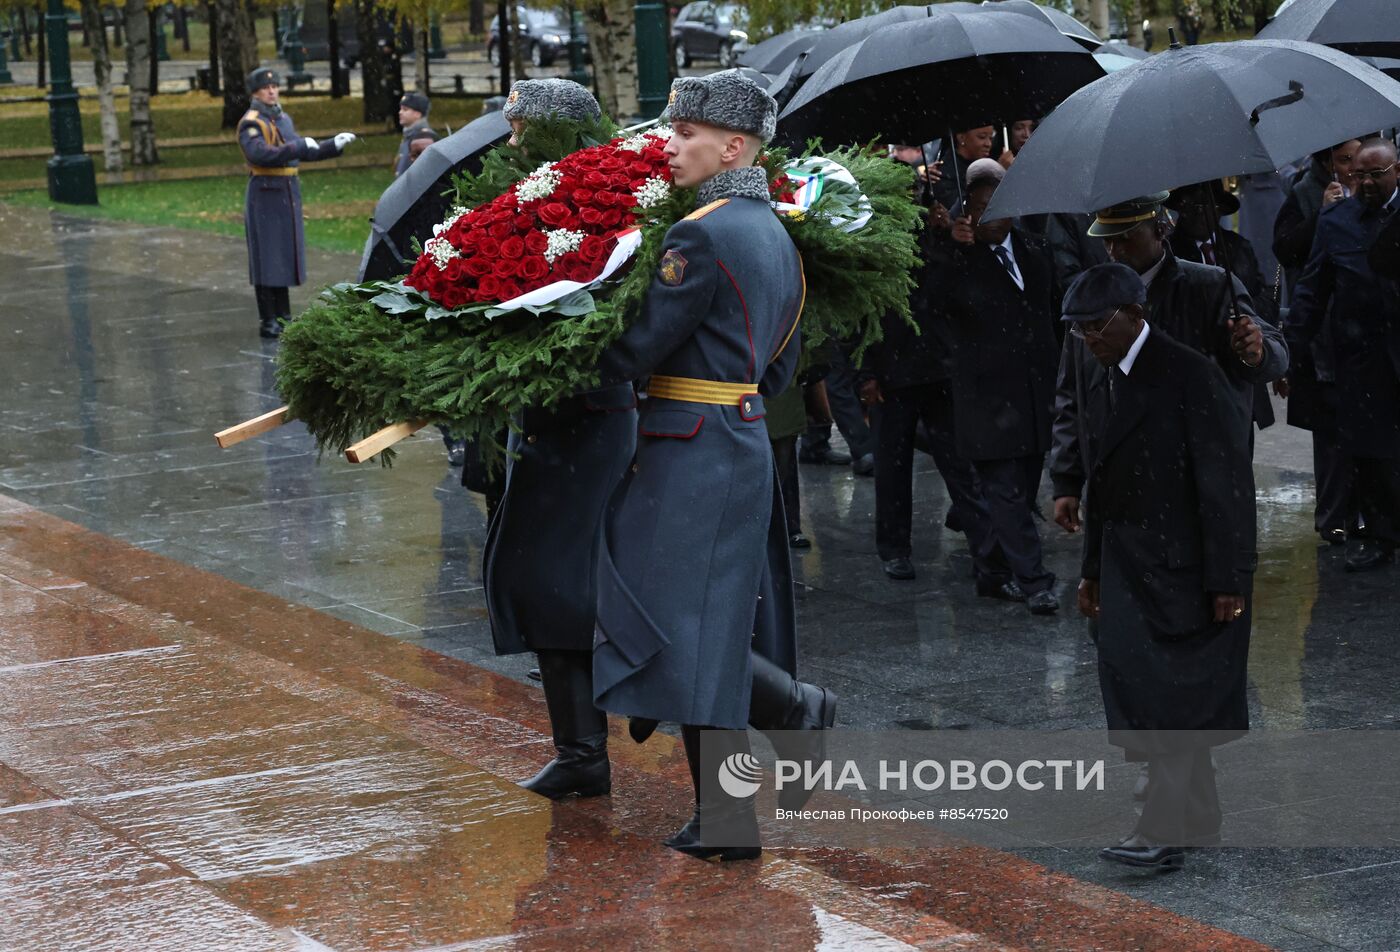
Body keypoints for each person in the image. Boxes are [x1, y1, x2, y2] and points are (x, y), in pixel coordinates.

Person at [589, 71, 836, 860]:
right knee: (706, 628)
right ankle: (732, 811)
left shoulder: (702, 232)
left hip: (687, 449)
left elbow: (638, 348)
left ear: (735, 146)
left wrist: (564, 336)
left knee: (683, 631)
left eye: (687, 133)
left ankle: (793, 714)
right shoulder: (779, 238)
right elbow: (782, 364)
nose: (672, 145)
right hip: (739, 437)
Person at [1064, 263, 1254, 872]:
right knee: (1146, 692)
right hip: (1126, 565)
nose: (1090, 339)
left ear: (1133, 315)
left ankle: (1161, 828)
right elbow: (1102, 480)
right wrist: (1092, 569)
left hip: (1184, 566)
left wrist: (1227, 580)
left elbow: (1226, 485)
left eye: (1097, 326)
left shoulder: (1190, 373)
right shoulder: (1101, 375)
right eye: (1079, 330)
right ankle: (1197, 816)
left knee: (1174, 699)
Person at [479, 79, 638, 801]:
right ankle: (581, 752)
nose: (511, 144)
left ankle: (778, 702)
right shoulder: (527, 202)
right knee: (543, 581)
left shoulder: (606, 203)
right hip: (543, 418)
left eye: (522, 130)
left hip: (591, 420)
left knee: (580, 583)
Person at [1049, 193, 1287, 536]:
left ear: (1162, 229)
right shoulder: (1091, 295)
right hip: (1119, 483)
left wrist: (1257, 353)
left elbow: (1272, 355)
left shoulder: (1211, 288)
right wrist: (1066, 479)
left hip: (1199, 481)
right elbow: (1072, 393)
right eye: (1108, 240)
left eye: (1126, 238)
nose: (1115, 251)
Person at [862, 149, 996, 587]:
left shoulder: (936, 232)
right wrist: (863, 374)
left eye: (913, 190)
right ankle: (894, 548)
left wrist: (950, 240)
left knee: (959, 464)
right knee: (892, 465)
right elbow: (858, 315)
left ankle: (988, 553)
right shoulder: (872, 240)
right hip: (891, 371)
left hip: (938, 366)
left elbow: (956, 293)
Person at [944, 159, 1060, 614]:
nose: (993, 218)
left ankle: (992, 570)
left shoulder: (1036, 249)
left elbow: (1052, 314)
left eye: (1000, 207)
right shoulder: (957, 258)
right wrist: (949, 248)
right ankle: (1036, 582)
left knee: (1022, 492)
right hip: (985, 400)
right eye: (981, 210)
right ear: (967, 214)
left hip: (1034, 397)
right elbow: (934, 304)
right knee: (1007, 494)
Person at [1286, 138, 1400, 572]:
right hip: (1361, 355)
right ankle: (1382, 536)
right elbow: (1312, 290)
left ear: (1397, 172)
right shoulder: (1336, 221)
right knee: (1369, 452)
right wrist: (1291, 351)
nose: (1367, 182)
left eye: (1377, 174)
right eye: (1360, 174)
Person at [1274, 140, 1363, 543]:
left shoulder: (1374, 197)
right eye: (1345, 161)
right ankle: (1334, 519)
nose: (1352, 169)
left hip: (1365, 338)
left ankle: (1369, 516)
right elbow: (1287, 250)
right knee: (1331, 437)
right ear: (1329, 162)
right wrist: (1322, 217)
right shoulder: (1306, 194)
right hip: (1326, 339)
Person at [239, 67, 357, 339]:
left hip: (285, 193)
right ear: (256, 93)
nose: (272, 91)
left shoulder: (282, 119)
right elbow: (261, 154)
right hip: (265, 193)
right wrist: (298, 146)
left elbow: (302, 150)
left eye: (275, 86)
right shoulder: (252, 122)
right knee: (266, 258)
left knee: (281, 258)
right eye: (266, 88)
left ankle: (283, 317)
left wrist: (332, 145)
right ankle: (268, 319)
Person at [1167, 180, 1283, 433]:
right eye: (1190, 205)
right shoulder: (1169, 253)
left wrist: (1244, 315)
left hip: (1239, 378)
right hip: (1194, 377)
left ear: (1219, 209)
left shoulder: (1238, 247)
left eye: (1205, 205)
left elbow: (1264, 296)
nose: (1198, 212)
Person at [395, 91, 435, 176]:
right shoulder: (410, 135)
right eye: (400, 109)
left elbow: (425, 174)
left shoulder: (423, 138)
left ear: (417, 114)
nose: (400, 112)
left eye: (405, 109)